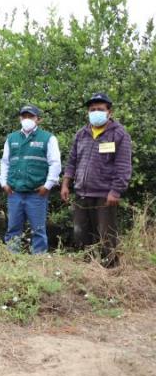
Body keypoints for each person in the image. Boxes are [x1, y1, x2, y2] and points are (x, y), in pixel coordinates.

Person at [61, 93, 132, 267]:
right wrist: (65, 184)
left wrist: (115, 191)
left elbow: (123, 166)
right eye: (92, 110)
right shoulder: (81, 134)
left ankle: (110, 271)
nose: (95, 112)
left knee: (106, 235)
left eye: (100, 109)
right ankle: (87, 269)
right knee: (81, 233)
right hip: (81, 192)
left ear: (109, 112)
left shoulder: (119, 134)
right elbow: (72, 161)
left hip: (105, 194)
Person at [0, 105, 61, 254]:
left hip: (36, 193)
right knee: (13, 228)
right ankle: (12, 259)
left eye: (30, 116)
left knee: (38, 230)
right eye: (24, 116)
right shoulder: (11, 138)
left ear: (38, 119)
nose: (27, 119)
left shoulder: (48, 138)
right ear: (20, 118)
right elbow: (5, 162)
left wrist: (47, 185)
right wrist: (3, 183)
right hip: (15, 192)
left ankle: (38, 262)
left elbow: (55, 163)